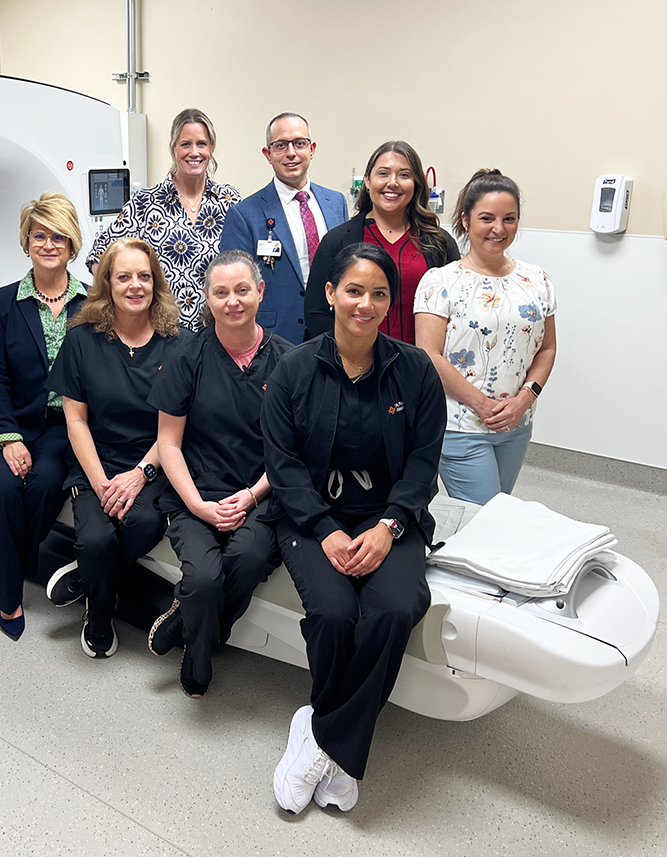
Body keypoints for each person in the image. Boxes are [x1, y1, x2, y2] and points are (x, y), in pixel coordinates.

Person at [263, 243, 445, 814]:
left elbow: (423, 463)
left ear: (391, 302)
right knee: (335, 613)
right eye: (354, 290)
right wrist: (323, 528)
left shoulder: (414, 370)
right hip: (311, 516)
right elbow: (283, 465)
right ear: (330, 294)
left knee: (394, 608)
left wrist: (390, 525)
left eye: (379, 294)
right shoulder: (293, 370)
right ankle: (336, 746)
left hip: (389, 515)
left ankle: (321, 738)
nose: (365, 304)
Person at [146, 250, 293, 697]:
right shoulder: (188, 356)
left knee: (248, 558)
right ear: (207, 298)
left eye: (242, 290)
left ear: (260, 292)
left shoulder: (289, 361)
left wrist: (251, 495)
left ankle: (194, 641)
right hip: (195, 491)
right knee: (203, 580)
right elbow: (168, 444)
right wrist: (197, 506)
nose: (233, 301)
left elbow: (290, 451)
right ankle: (199, 632)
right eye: (221, 292)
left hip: (261, 494)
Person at [46, 238, 182, 658]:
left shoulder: (179, 343)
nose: (135, 285)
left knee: (144, 523)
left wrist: (140, 474)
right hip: (96, 462)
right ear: (107, 283)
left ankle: (90, 581)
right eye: (124, 277)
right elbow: (75, 420)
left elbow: (177, 427)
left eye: (144, 276)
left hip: (153, 462)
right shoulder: (82, 340)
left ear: (155, 283)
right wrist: (102, 483)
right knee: (94, 542)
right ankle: (99, 615)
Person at [0, 192, 89, 640]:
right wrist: (8, 438)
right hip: (10, 422)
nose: (48, 244)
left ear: (72, 243)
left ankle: (1, 559)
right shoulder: (2, 303)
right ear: (26, 243)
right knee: (3, 490)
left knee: (43, 486)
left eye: (58, 236)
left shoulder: (92, 304)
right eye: (39, 235)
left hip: (64, 427)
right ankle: (8, 599)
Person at [414, 169, 557, 505]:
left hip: (516, 423)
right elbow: (429, 355)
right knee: (485, 513)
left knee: (498, 511)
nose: (499, 228)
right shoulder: (440, 282)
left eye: (509, 219)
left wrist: (524, 400)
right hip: (460, 424)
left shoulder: (536, 280)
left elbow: (547, 348)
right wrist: (483, 405)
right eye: (487, 218)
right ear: (465, 220)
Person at [87, 108, 241, 332]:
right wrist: (127, 306)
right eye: (185, 144)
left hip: (218, 332)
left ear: (211, 148)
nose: (194, 152)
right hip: (162, 334)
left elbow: (245, 266)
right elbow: (99, 255)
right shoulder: (146, 203)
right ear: (173, 148)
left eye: (201, 144)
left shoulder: (228, 200)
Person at [304, 141, 458, 344]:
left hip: (422, 360)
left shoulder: (440, 243)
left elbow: (457, 311)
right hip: (353, 360)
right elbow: (316, 312)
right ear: (367, 181)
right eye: (383, 173)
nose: (392, 182)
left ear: (416, 184)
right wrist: (343, 356)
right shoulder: (337, 241)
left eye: (404, 175)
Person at [218, 113, 348, 344]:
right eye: (280, 145)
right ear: (267, 154)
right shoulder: (244, 215)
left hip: (333, 331)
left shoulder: (336, 203)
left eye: (299, 143)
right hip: (275, 337)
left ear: (312, 149)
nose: (291, 153)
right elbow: (234, 286)